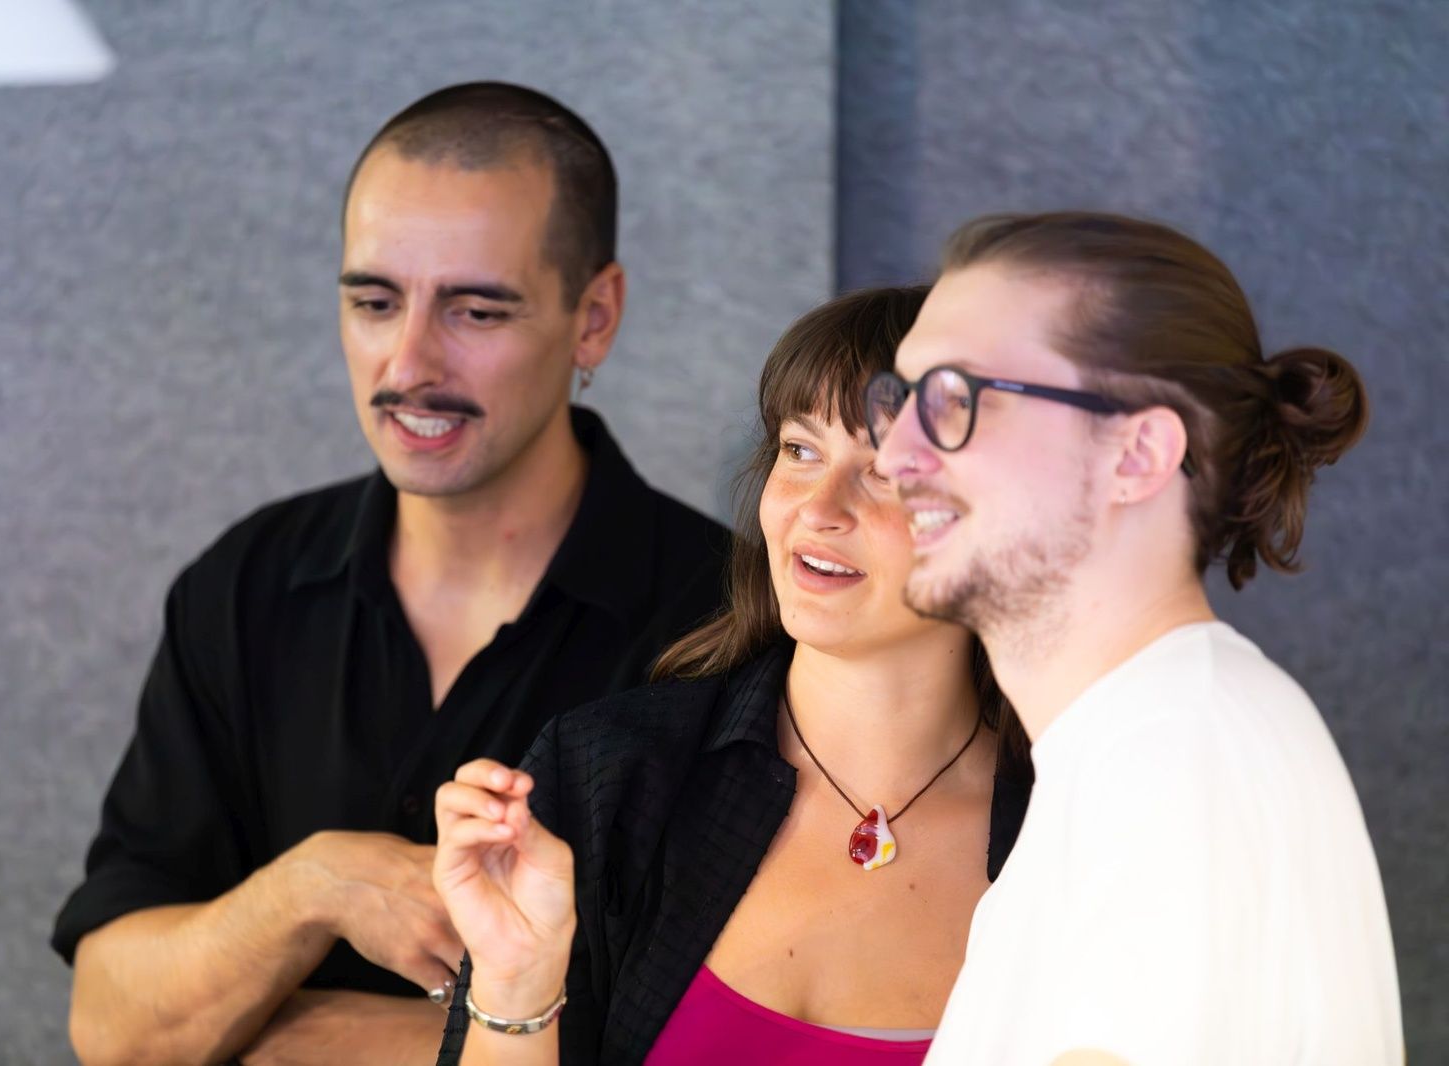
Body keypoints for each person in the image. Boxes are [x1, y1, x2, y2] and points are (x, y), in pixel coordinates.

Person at [50, 82, 728, 1066]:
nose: (408, 363)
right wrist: (314, 887)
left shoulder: (729, 625)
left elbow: (725, 1043)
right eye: (374, 302)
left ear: (593, 317)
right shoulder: (245, 586)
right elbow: (115, 1027)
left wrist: (281, 1034)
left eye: (476, 310)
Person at [430, 285, 1034, 1065]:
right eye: (801, 450)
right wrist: (517, 986)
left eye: (887, 470)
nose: (819, 507)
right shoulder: (605, 775)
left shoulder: (1076, 827)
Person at [866, 212, 1403, 1064]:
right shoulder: (1146, 743)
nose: (893, 456)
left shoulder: (1176, 752)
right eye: (899, 401)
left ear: (1138, 454)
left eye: (955, 398)